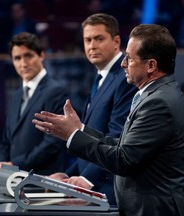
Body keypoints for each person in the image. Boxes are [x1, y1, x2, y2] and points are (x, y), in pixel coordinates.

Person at [33, 24, 184, 215]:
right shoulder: (154, 95)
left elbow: (123, 160)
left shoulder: (159, 102)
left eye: (129, 58)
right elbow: (122, 145)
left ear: (151, 65)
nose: (123, 64)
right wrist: (80, 130)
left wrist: (73, 136)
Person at [48, 13, 137, 205]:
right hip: (97, 187)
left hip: (112, 191)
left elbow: (117, 140)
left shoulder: (125, 79)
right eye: (87, 40)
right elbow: (92, 142)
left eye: (99, 38)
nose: (92, 45)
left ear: (116, 41)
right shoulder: (100, 78)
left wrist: (86, 180)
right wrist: (67, 176)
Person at [0, 32, 68, 175]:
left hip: (43, 180)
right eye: (17, 58)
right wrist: (4, 167)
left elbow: (51, 144)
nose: (23, 63)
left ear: (41, 55)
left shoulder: (55, 92)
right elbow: (6, 140)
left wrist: (15, 165)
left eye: (28, 56)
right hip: (13, 179)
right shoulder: (15, 96)